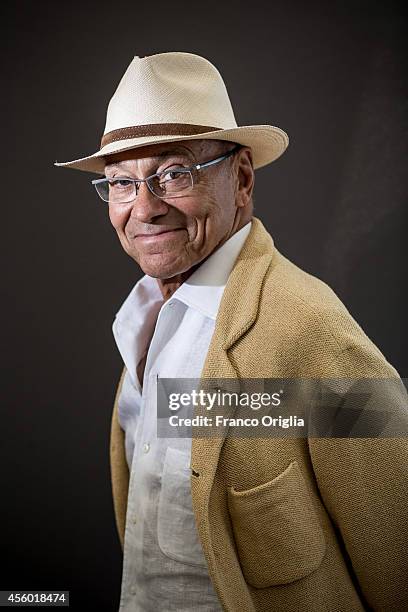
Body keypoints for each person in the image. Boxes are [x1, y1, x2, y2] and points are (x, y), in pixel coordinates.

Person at [55, 52, 408, 611]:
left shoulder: (311, 327)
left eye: (174, 174)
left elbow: (398, 554)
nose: (143, 208)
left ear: (241, 178)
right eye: (121, 183)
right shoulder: (143, 320)